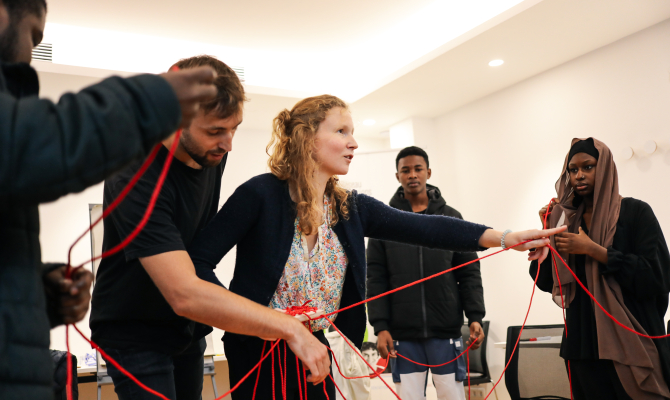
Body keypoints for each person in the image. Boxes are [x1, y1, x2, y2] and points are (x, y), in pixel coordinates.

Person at [189, 94, 564, 399]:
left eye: (353, 132)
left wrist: (503, 237)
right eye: (341, 131)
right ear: (307, 137)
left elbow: (427, 228)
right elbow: (198, 263)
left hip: (317, 350)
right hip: (258, 353)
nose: (353, 142)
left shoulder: (350, 206)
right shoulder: (259, 194)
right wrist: (247, 319)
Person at [0, 0, 219, 398]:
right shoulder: (136, 168)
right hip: (132, 332)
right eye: (33, 36)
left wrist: (37, 288)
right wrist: (151, 99)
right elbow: (28, 146)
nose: (29, 56)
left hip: (179, 332)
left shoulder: (212, 161)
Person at [89, 55, 331, 400]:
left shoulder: (212, 151)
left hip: (185, 328)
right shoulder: (133, 172)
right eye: (216, 131)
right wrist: (286, 327)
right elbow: (184, 293)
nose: (228, 143)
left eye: (234, 128)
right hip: (134, 330)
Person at [531, 138, 670, 400]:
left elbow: (657, 275)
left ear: (605, 167)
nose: (579, 175)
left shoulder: (635, 212)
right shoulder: (565, 220)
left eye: (588, 166)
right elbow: (547, 282)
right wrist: (545, 241)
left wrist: (595, 250)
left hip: (631, 339)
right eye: (572, 169)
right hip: (582, 344)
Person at [367, 146, 485, 400]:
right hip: (402, 335)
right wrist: (380, 327)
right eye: (405, 170)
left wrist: (475, 315)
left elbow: (469, 273)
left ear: (428, 172)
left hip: (445, 331)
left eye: (418, 169)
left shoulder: (451, 218)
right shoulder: (384, 222)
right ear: (397, 176)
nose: (412, 175)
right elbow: (375, 279)